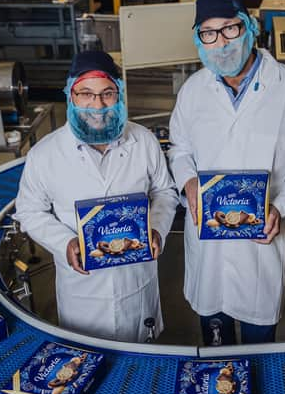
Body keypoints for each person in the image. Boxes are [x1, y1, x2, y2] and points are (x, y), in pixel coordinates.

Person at [168, 0, 285, 345]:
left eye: (230, 29)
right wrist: (188, 183)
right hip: (209, 242)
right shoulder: (193, 91)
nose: (221, 42)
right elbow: (179, 149)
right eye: (208, 33)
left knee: (259, 345)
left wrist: (281, 205)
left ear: (248, 27)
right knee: (216, 346)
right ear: (199, 38)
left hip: (263, 243)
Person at [14, 51, 178, 342]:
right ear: (70, 96)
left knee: (142, 355)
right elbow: (28, 211)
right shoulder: (45, 154)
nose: (98, 105)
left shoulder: (143, 141)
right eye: (86, 94)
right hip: (82, 289)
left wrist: (157, 229)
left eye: (107, 94)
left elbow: (164, 191)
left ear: (119, 94)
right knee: (88, 364)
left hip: (136, 278)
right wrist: (65, 243)